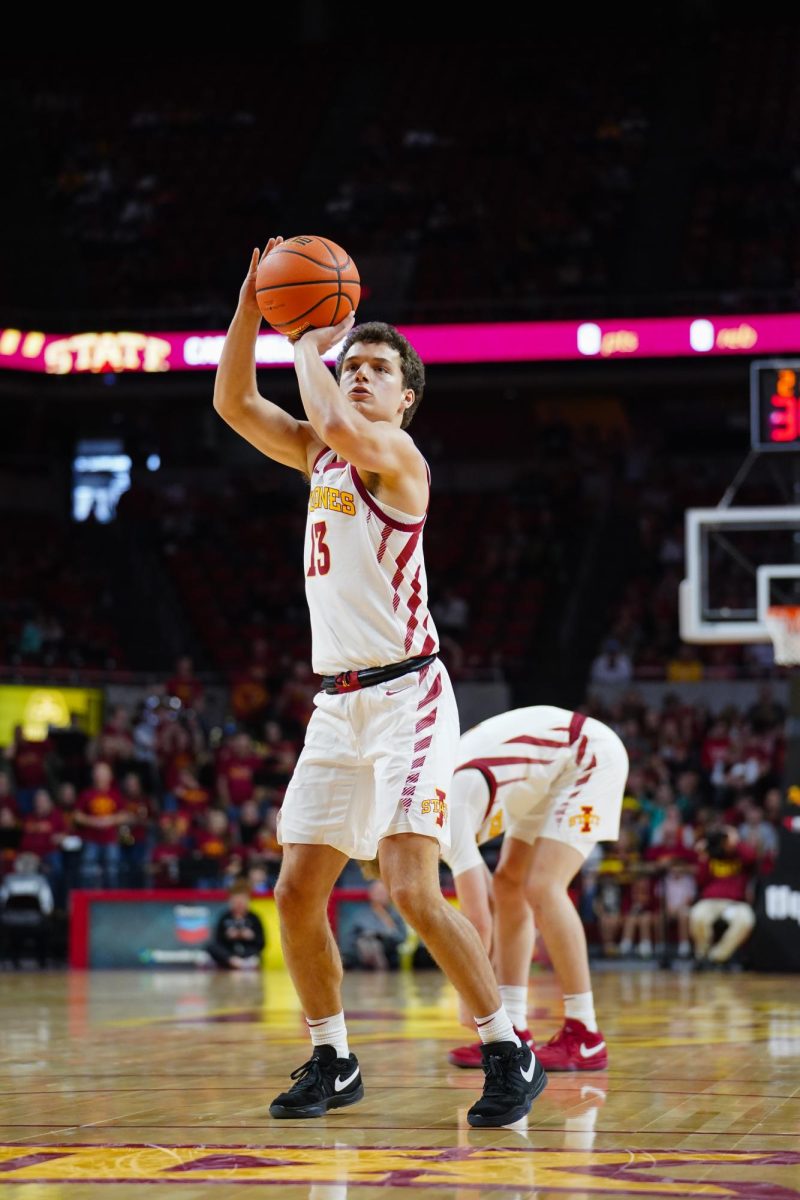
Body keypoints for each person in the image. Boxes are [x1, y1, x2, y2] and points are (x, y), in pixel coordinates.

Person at [212, 239, 545, 1127]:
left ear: (406, 398)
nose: (356, 375)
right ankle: (334, 1058)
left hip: (408, 697)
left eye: (374, 368)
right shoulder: (320, 456)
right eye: (349, 362)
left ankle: (508, 1046)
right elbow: (233, 401)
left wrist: (307, 339)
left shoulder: (396, 458)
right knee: (292, 892)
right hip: (338, 702)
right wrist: (258, 307)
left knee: (407, 887)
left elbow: (343, 428)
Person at [443, 706, 628, 1071]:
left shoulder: (445, 810)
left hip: (586, 753)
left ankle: (585, 1033)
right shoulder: (429, 801)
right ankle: (512, 1027)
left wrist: (474, 1000)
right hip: (549, 766)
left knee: (544, 886)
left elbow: (478, 920)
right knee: (509, 883)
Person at [206, 880, 265, 969]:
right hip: (229, 952)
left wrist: (251, 936)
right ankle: (234, 962)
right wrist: (228, 936)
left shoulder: (254, 918)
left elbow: (262, 943)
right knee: (211, 947)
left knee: (256, 954)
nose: (239, 905)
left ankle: (245, 962)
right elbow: (217, 940)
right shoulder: (224, 917)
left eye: (241, 902)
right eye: (236, 902)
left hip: (248, 951)